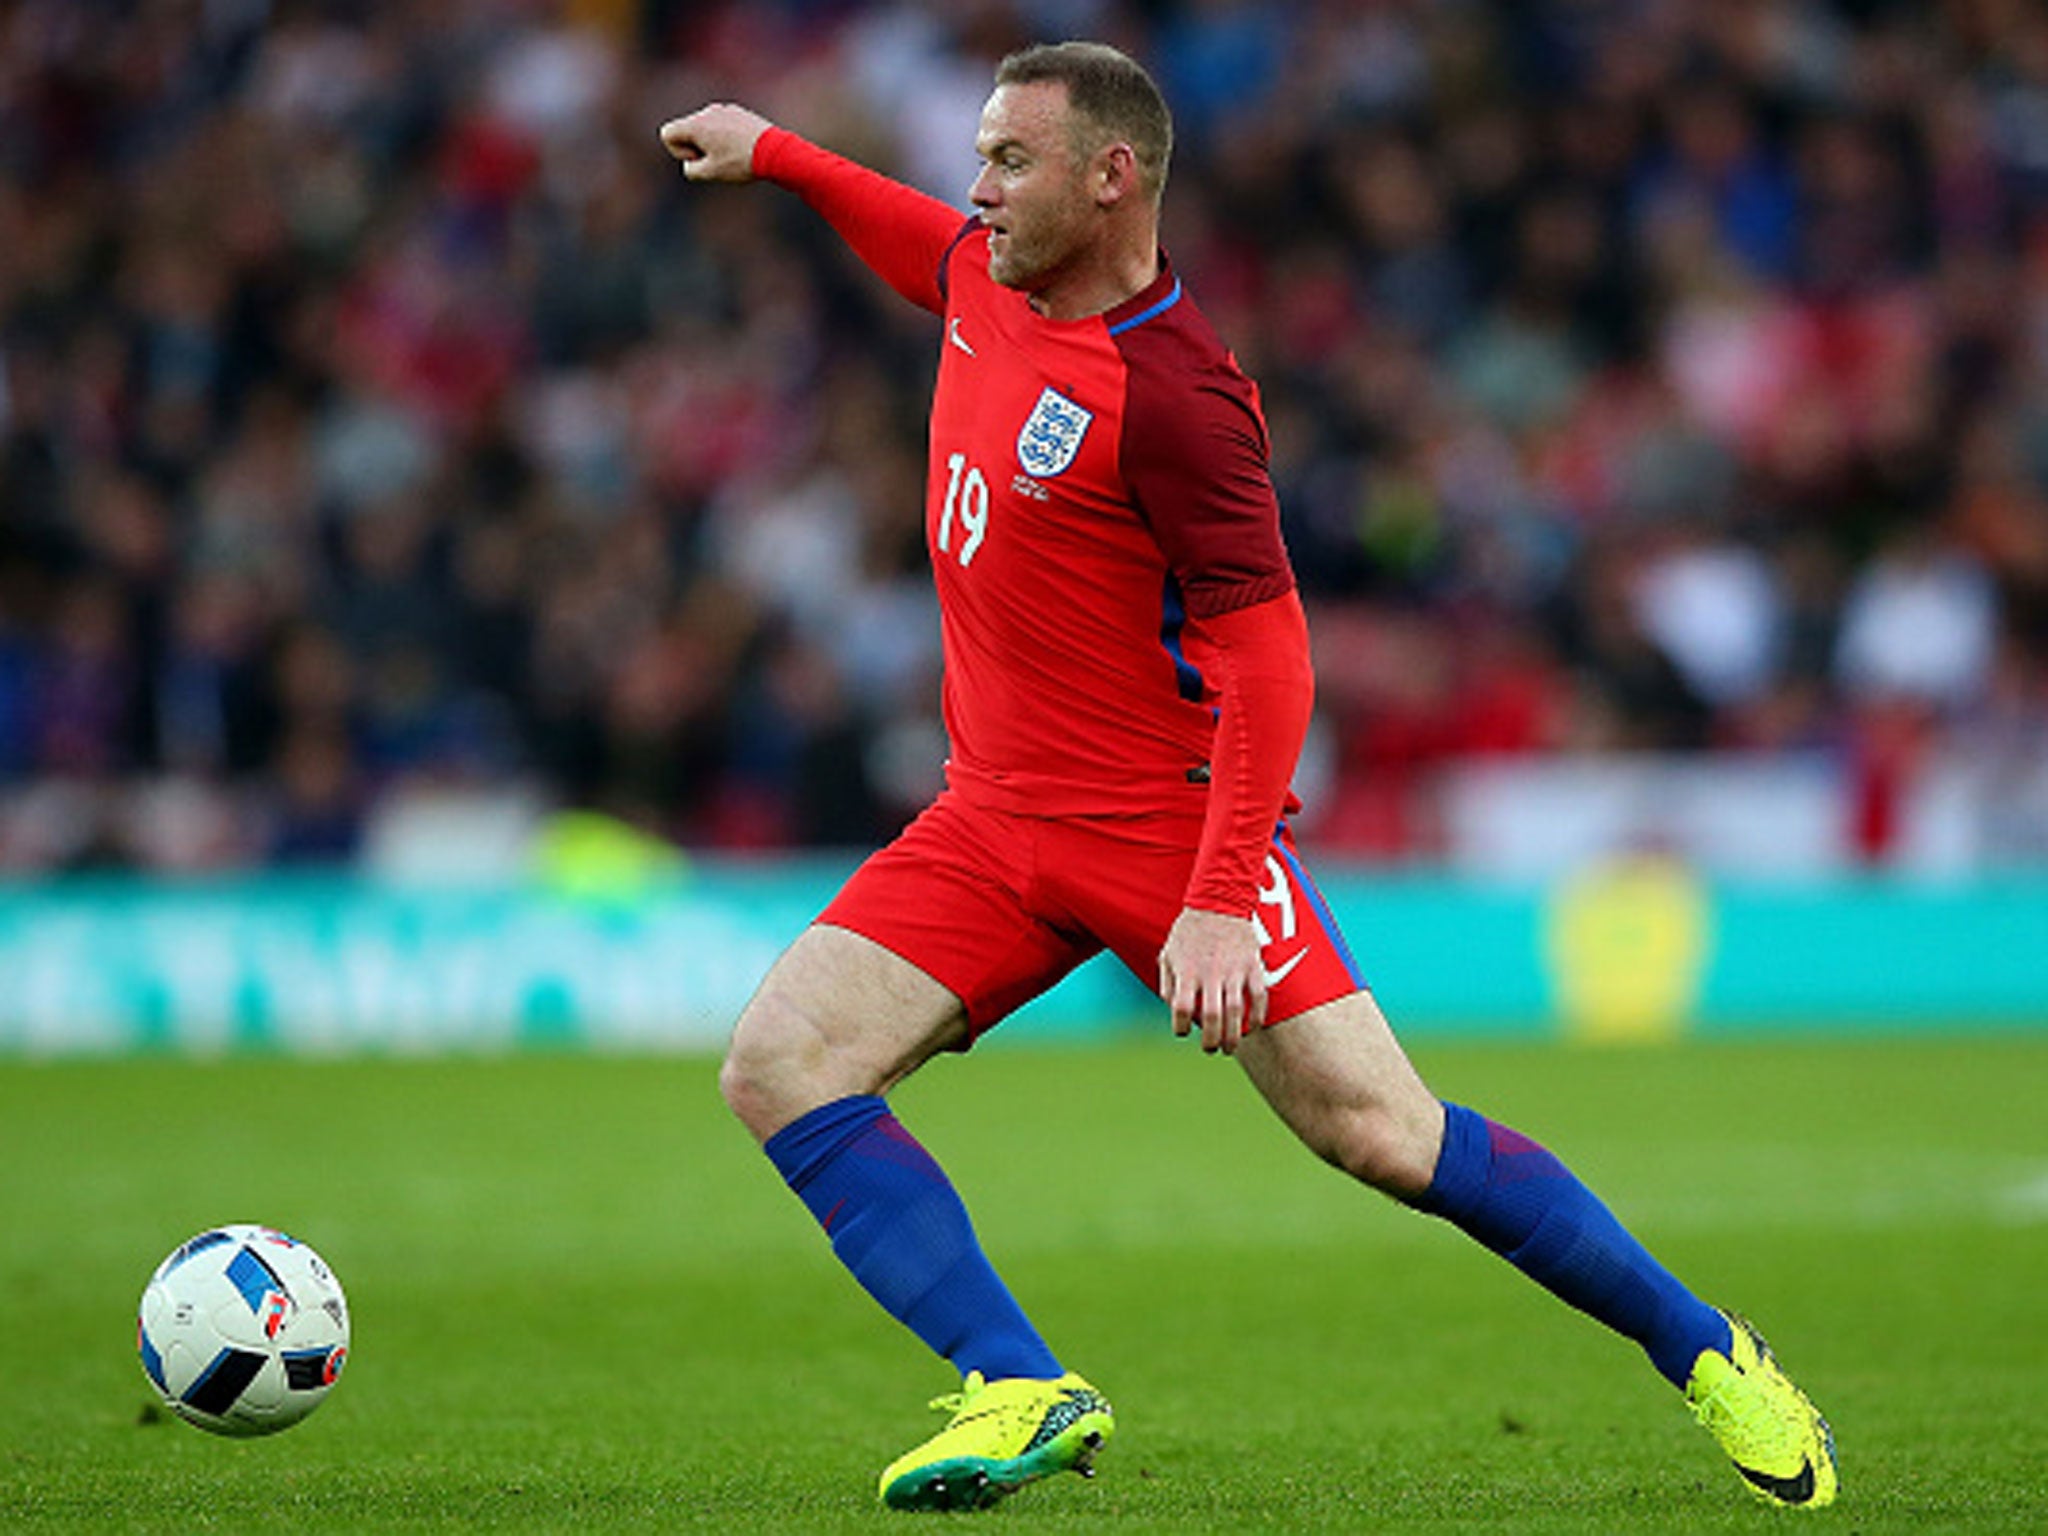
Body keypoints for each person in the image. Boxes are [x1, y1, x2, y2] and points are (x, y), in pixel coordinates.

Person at [658, 41, 1837, 1515]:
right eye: (979, 156)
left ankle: (1710, 1350)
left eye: (1011, 161)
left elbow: (1275, 661)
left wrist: (1219, 900)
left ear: (1113, 178)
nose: (979, 188)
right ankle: (1018, 1384)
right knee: (780, 1065)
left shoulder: (1179, 395)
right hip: (991, 815)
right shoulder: (987, 276)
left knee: (1382, 1136)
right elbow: (921, 237)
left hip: (1166, 827)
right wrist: (776, 151)